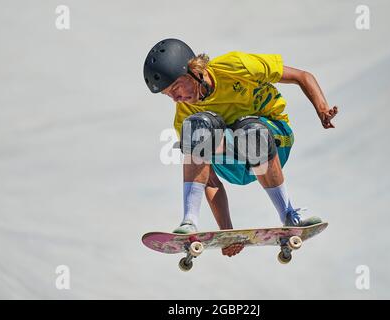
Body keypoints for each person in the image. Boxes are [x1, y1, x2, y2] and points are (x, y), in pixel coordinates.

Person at [143, 39, 338, 257]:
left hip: (275, 141)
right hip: (235, 165)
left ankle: (289, 214)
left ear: (194, 71)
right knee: (197, 126)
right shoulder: (184, 115)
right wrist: (226, 231)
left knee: (250, 130)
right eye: (168, 94)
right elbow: (210, 180)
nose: (176, 99)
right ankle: (189, 221)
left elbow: (302, 76)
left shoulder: (237, 65)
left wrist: (322, 109)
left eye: (176, 88)